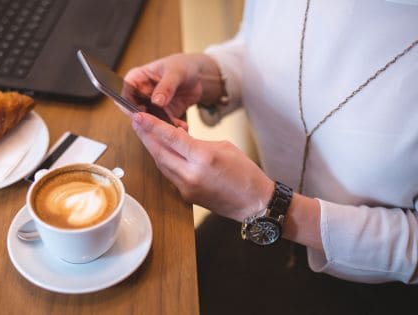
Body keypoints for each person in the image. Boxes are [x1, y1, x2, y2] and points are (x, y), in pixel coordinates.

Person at [124, 0, 418, 294]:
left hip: (373, 287)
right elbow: (257, 44)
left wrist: (271, 206)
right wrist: (208, 75)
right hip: (249, 218)